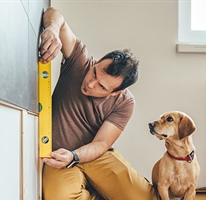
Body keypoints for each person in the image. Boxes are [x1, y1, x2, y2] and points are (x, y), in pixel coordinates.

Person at [38, 7, 159, 200]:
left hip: (95, 155)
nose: (90, 84)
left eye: (101, 87)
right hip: (59, 157)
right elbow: (55, 14)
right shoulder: (80, 62)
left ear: (116, 92)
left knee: (146, 198)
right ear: (98, 61)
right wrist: (52, 30)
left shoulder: (125, 102)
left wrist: (75, 155)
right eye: (95, 72)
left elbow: (102, 143)